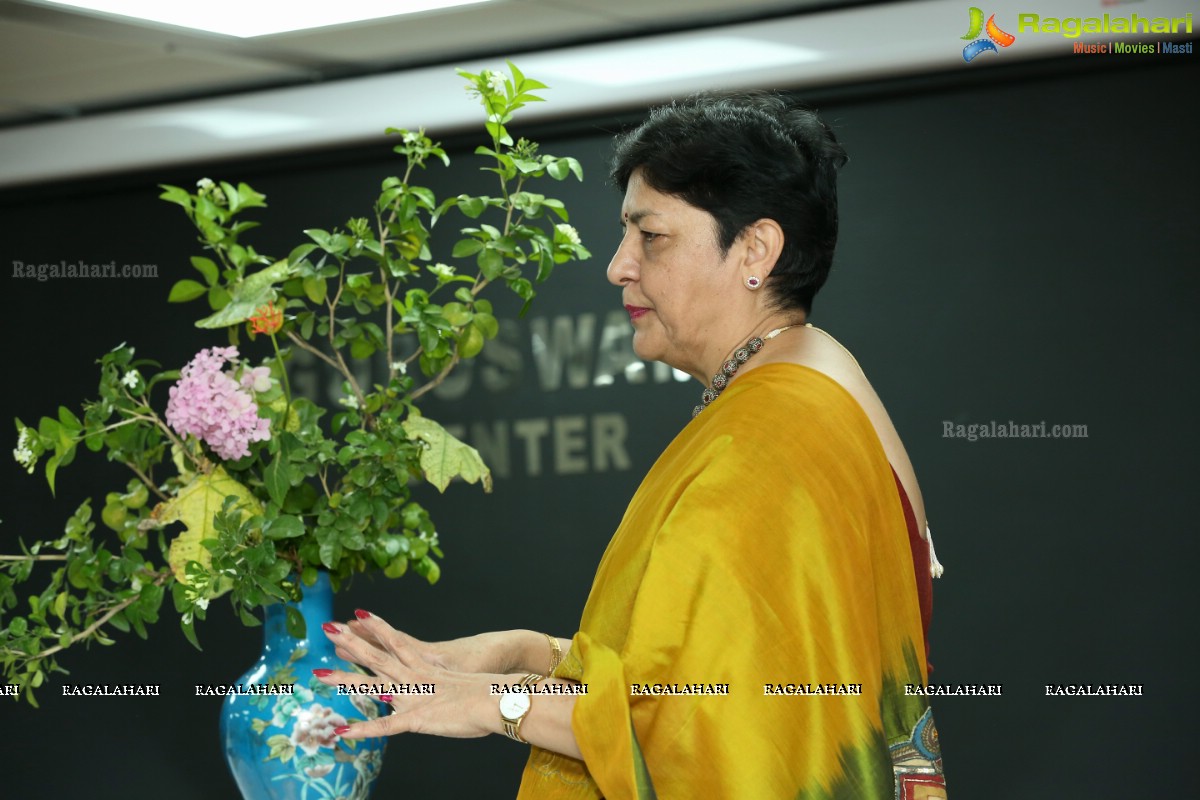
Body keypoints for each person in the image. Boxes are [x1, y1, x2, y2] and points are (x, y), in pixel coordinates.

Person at [313, 92, 947, 799]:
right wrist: (533, 654)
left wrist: (500, 700)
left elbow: (708, 726)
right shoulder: (814, 376)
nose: (618, 266)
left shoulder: (775, 433)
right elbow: (715, 682)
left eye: (652, 237)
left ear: (756, 250)